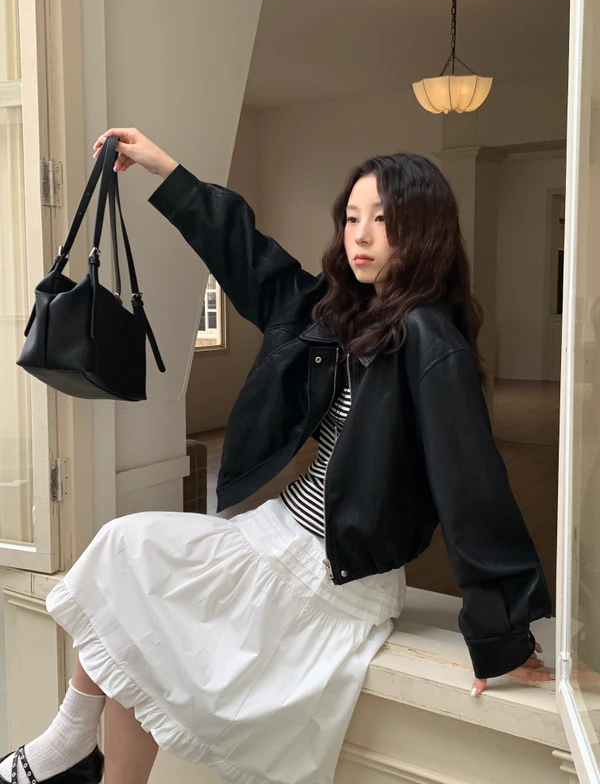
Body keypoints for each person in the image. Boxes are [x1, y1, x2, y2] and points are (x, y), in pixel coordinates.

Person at [0, 129, 554, 784]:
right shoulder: (345, 311)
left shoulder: (431, 342)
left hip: (334, 573)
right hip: (280, 532)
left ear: (424, 230)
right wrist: (162, 167)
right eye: (352, 217)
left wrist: (502, 637)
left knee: (128, 557)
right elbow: (250, 259)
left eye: (383, 220)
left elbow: (473, 489)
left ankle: (68, 740)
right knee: (133, 617)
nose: (361, 235)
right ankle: (81, 752)